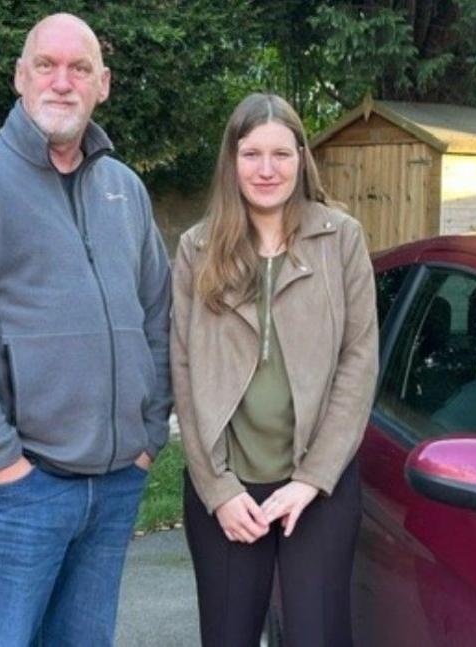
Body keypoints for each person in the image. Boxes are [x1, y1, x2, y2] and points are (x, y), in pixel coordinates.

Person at [0, 13, 171, 647]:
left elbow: (158, 317)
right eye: (46, 66)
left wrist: (149, 434)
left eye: (79, 68)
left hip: (112, 488)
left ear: (102, 84)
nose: (62, 82)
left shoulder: (125, 191)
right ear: (19, 77)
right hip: (14, 493)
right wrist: (0, 462)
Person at [171, 93, 379, 646]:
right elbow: (184, 371)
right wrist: (217, 488)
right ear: (231, 161)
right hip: (230, 485)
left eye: (281, 154)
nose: (267, 170)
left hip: (317, 487)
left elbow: (358, 363)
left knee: (317, 634)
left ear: (302, 159)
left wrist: (312, 480)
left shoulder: (341, 239)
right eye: (252, 154)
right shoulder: (197, 249)